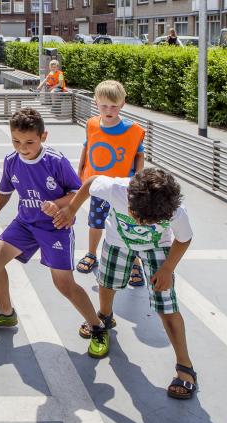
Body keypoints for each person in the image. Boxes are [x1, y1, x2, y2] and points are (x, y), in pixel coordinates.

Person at [51, 168, 197, 398]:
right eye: (138, 217)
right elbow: (90, 183)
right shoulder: (116, 189)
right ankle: (105, 317)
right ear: (129, 200)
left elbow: (183, 239)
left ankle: (185, 366)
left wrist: (168, 268)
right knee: (107, 282)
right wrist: (71, 208)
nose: (142, 224)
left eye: (151, 222)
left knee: (166, 305)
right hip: (117, 241)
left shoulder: (175, 212)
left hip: (157, 247)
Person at [0, 108, 110, 354]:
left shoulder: (55, 161)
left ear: (43, 137)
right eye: (16, 141)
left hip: (55, 227)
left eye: (29, 142)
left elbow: (78, 193)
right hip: (25, 223)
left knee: (64, 285)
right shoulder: (11, 161)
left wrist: (57, 205)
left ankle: (98, 327)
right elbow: (5, 191)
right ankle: (6, 313)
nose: (22, 147)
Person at [76, 80, 146, 288]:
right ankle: (91, 253)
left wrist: (138, 183)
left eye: (114, 106)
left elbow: (139, 157)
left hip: (123, 189)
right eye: (104, 105)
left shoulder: (133, 130)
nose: (109, 110)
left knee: (128, 226)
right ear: (96, 102)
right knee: (95, 222)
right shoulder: (92, 124)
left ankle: (135, 262)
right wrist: (80, 173)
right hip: (98, 186)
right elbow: (87, 148)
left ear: (123, 104)